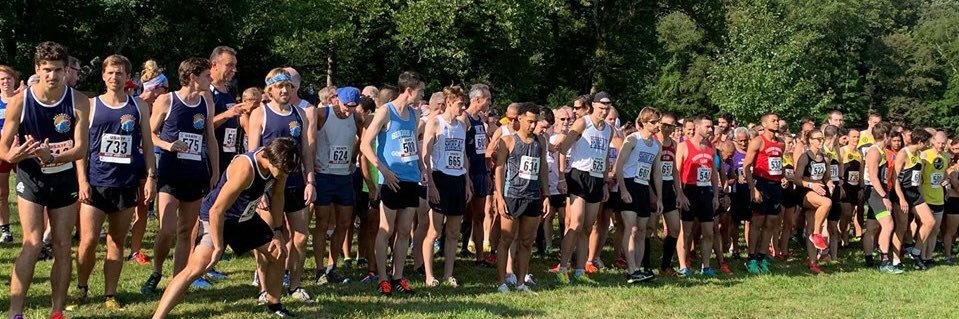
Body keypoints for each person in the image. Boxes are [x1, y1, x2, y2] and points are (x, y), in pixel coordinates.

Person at [152, 138, 300, 318]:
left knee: (278, 253)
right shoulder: (245, 169)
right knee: (196, 267)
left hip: (244, 218)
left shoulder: (280, 165)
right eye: (283, 172)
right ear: (271, 160)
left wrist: (277, 231)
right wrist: (218, 246)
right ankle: (158, 316)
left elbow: (277, 197)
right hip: (216, 218)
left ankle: (274, 304)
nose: (284, 176)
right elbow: (216, 211)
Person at [2, 41, 90, 319]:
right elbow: (3, 148)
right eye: (47, 70)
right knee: (32, 242)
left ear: (67, 71)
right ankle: (16, 312)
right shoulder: (21, 100)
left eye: (58, 70)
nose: (53, 76)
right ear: (37, 70)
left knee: (63, 244)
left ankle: (57, 311)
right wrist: (13, 155)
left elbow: (81, 148)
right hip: (31, 181)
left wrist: (51, 156)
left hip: (63, 179)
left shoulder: (78, 100)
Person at [67, 54, 156, 311]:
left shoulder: (138, 106)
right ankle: (81, 288)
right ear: (103, 75)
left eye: (119, 73)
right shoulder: (91, 105)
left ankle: (110, 294)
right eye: (110, 73)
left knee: (117, 241)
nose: (114, 77)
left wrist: (150, 177)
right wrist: (82, 180)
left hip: (126, 183)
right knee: (88, 241)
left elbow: (148, 145)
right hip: (95, 182)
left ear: (128, 77)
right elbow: (80, 149)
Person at [142, 57, 220, 294]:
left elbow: (211, 138)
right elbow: (149, 134)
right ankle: (156, 271)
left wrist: (215, 171)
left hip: (195, 173)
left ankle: (178, 280)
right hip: (169, 172)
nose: (211, 79)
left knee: (187, 230)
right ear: (193, 77)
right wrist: (168, 146)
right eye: (207, 75)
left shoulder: (206, 101)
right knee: (167, 229)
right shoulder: (167, 100)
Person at [247, 68, 315, 301]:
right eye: (279, 86)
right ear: (270, 90)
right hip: (267, 185)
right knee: (266, 239)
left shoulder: (300, 113)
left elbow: (305, 149)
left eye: (289, 86)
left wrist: (310, 180)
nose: (285, 90)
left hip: (295, 182)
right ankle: (264, 289)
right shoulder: (260, 113)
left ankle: (294, 285)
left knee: (301, 236)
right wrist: (256, 188)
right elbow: (253, 152)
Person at [359, 71, 425, 295]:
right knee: (385, 229)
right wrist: (383, 171)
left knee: (405, 230)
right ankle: (383, 278)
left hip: (410, 177)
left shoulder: (414, 114)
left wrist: (421, 168)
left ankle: (399, 276)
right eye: (420, 91)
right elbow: (365, 145)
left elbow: (412, 144)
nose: (422, 96)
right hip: (391, 179)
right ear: (409, 90)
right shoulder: (385, 111)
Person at [553, 92, 613, 284]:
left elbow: (604, 157)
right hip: (579, 175)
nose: (604, 111)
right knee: (576, 223)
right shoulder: (583, 123)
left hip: (596, 179)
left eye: (607, 108)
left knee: (588, 226)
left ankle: (580, 270)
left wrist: (604, 183)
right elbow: (563, 148)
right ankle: (563, 267)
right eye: (601, 107)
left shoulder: (609, 130)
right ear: (593, 106)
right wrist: (562, 177)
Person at [493, 102, 548, 293]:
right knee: (506, 239)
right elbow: (499, 169)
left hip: (532, 196)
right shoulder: (508, 141)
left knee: (526, 241)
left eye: (535, 122)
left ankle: (521, 282)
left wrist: (546, 194)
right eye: (530, 122)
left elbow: (543, 169)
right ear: (521, 119)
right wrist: (499, 196)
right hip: (512, 195)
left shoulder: (540, 142)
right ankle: (501, 281)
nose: (533, 126)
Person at [421, 85, 472, 287]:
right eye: (460, 104)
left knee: (453, 232)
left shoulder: (461, 126)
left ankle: (448, 274)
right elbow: (426, 156)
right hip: (440, 177)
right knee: (434, 231)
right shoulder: (435, 123)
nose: (463, 108)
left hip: (458, 179)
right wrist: (430, 184)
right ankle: (428, 275)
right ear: (449, 102)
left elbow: (464, 156)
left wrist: (467, 182)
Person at [313, 86, 363, 284]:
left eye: (353, 106)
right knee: (322, 224)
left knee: (344, 223)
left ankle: (332, 266)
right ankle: (318, 270)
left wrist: (353, 156)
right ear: (335, 100)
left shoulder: (356, 117)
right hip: (324, 175)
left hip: (344, 176)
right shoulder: (322, 114)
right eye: (345, 106)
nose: (348, 110)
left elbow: (365, 138)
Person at [613, 107, 662, 283]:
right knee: (630, 227)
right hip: (630, 184)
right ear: (643, 123)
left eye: (658, 122)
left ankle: (638, 269)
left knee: (642, 230)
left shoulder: (657, 145)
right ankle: (631, 268)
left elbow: (656, 173)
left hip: (643, 187)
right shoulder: (633, 139)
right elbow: (618, 166)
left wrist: (659, 198)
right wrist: (623, 189)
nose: (657, 125)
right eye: (653, 122)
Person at [127, 60, 169, 266]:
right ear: (157, 88)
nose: (167, 92)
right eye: (165, 88)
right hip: (128, 162)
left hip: (148, 161)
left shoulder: (160, 106)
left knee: (143, 207)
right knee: (126, 208)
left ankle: (135, 250)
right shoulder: (135, 103)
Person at [675, 115, 720, 277]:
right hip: (689, 191)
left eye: (711, 127)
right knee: (686, 232)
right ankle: (683, 266)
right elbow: (676, 172)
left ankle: (705, 266)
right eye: (707, 127)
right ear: (698, 127)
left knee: (709, 231)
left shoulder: (710, 147)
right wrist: (680, 194)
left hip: (705, 191)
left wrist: (715, 195)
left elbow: (713, 173)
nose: (710, 130)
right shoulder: (683, 146)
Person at [892, 128, 933, 270]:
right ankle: (896, 260)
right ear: (920, 141)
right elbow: (895, 178)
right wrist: (901, 199)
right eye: (927, 142)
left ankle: (916, 252)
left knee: (929, 221)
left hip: (915, 194)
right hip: (902, 194)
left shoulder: (920, 154)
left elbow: (918, 179)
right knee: (902, 227)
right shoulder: (904, 153)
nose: (928, 144)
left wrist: (922, 196)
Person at [862, 122, 900, 273]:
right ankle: (884, 260)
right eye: (891, 135)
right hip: (875, 191)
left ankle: (869, 257)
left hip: (880, 190)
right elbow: (873, 176)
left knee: (872, 226)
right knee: (888, 224)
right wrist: (884, 196)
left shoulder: (882, 151)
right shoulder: (874, 151)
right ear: (885, 135)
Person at [793, 129, 832, 273]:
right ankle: (817, 233)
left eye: (822, 139)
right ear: (810, 141)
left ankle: (813, 262)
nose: (820, 141)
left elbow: (826, 177)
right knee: (826, 203)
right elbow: (797, 179)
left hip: (819, 191)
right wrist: (811, 185)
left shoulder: (825, 158)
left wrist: (829, 184)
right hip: (805, 191)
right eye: (817, 139)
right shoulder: (805, 157)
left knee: (809, 226)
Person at [460, 84, 491, 264]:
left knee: (479, 215)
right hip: (467, 173)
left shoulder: (480, 120)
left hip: (480, 172)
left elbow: (483, 148)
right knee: (460, 214)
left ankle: (480, 256)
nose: (489, 102)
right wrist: (466, 177)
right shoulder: (464, 119)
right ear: (477, 99)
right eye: (487, 99)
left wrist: (487, 170)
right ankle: (454, 248)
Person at [918, 131, 949, 265]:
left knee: (935, 230)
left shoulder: (946, 156)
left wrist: (946, 181)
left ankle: (929, 257)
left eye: (943, 143)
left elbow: (944, 174)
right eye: (938, 143)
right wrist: (920, 195)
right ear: (933, 141)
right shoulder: (924, 155)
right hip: (926, 197)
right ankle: (922, 256)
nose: (940, 146)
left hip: (939, 198)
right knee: (926, 228)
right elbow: (918, 176)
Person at [0, 65, 19, 244]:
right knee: (2, 192)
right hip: (2, 153)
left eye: (8, 78)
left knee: (25, 193)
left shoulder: (22, 99)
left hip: (21, 150)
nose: (5, 82)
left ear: (14, 80)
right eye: (2, 79)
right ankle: (5, 229)